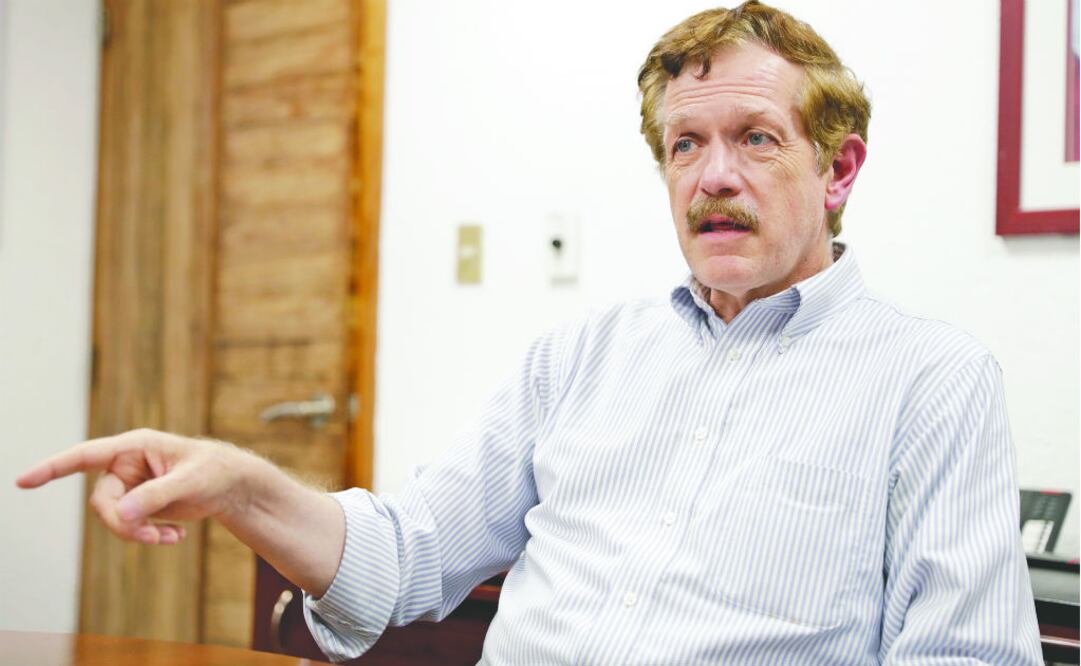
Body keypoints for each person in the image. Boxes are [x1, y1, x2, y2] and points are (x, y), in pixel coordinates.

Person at [17, 2, 1042, 664]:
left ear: (838, 170)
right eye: (685, 144)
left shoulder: (930, 382)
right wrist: (241, 484)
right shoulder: (579, 359)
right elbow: (409, 557)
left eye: (755, 140)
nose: (713, 174)